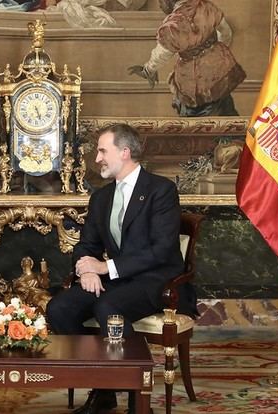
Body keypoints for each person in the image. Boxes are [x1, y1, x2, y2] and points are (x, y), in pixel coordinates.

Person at [46, 123, 198, 414]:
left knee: (109, 307)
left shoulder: (161, 190)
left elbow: (162, 249)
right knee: (60, 307)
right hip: (116, 280)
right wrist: (87, 271)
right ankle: (102, 388)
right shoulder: (101, 198)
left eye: (103, 151)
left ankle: (136, 400)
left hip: (157, 281)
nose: (97, 159)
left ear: (125, 152)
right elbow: (86, 245)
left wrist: (105, 267)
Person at [129, 0, 246, 117]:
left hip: (195, 77)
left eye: (161, 2)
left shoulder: (174, 24)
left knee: (196, 113)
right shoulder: (205, 6)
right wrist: (214, 50)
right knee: (223, 103)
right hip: (220, 68)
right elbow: (225, 32)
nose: (160, 6)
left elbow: (163, 53)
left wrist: (148, 70)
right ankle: (231, 131)